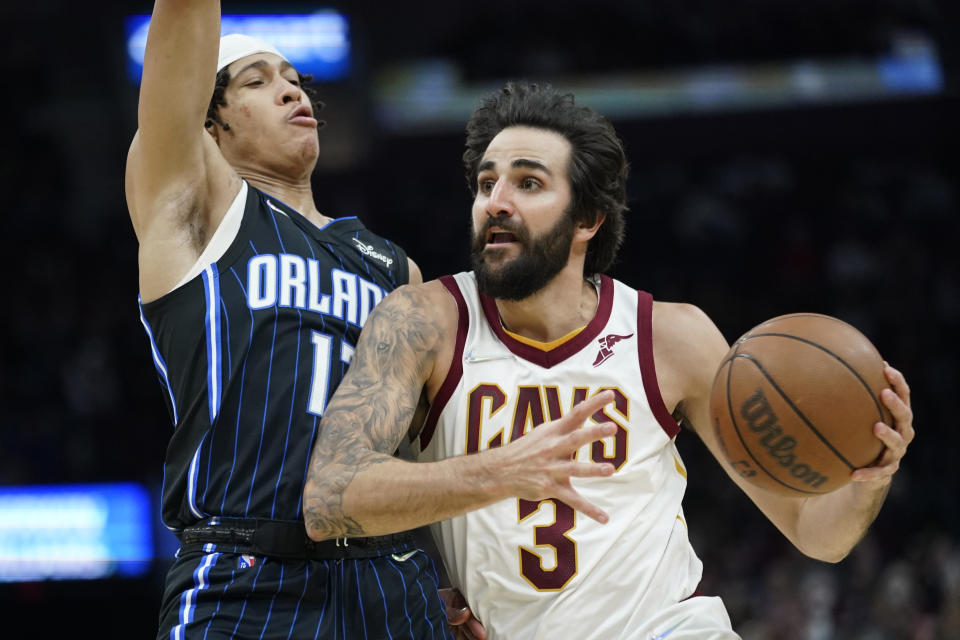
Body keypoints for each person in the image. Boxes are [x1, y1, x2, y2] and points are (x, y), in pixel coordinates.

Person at [302, 81, 915, 639]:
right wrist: (501, 472)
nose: (496, 201)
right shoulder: (424, 320)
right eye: (487, 184)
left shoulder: (669, 336)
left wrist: (870, 473)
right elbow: (330, 497)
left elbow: (816, 533)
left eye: (529, 183)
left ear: (587, 220)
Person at [125, 2, 480, 637]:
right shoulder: (198, 211)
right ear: (211, 126)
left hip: (391, 578)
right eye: (256, 81)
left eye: (293, 78)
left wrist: (462, 582)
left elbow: (423, 452)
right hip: (246, 572)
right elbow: (178, 34)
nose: (289, 88)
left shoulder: (396, 269)